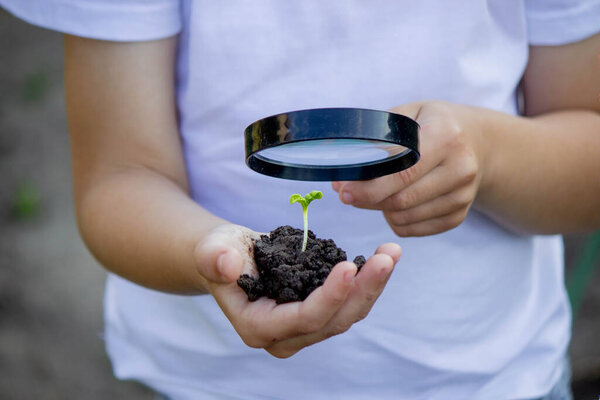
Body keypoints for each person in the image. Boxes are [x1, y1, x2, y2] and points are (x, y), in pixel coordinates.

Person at [2, 1, 599, 399]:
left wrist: (488, 155)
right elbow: (118, 177)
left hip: (487, 378)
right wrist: (210, 255)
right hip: (202, 382)